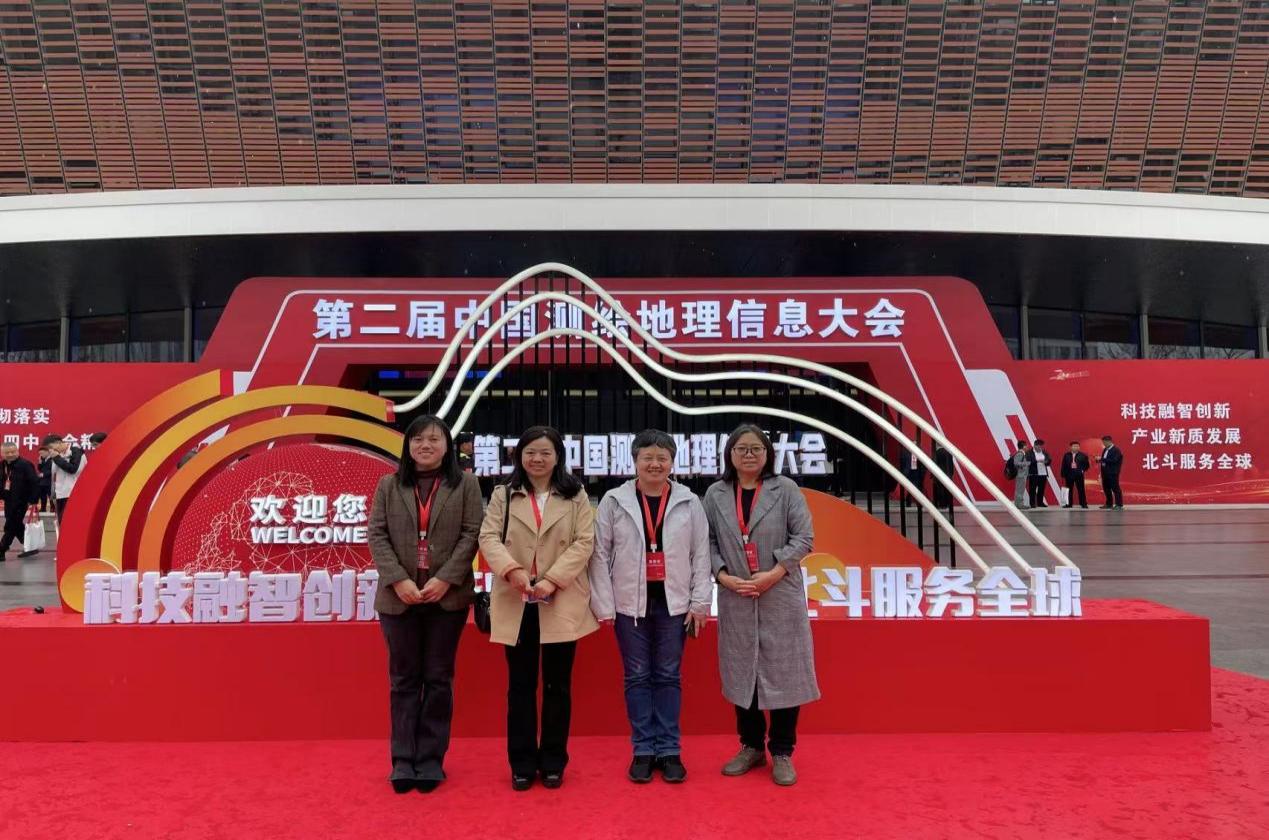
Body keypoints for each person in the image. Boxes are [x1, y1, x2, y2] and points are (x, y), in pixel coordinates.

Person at [589, 429, 712, 784]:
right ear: (635, 461)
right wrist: (605, 604)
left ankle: (670, 750)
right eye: (648, 457)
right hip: (630, 606)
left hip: (675, 605)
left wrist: (700, 601)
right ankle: (643, 750)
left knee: (669, 676)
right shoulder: (614, 500)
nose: (655, 464)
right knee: (638, 676)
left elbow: (701, 554)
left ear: (672, 462)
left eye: (662, 458)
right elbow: (599, 554)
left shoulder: (689, 501)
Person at [368, 414, 483, 794]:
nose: (425, 446)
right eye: (418, 439)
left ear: (447, 446)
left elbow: (472, 534)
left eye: (434, 439)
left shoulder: (465, 484)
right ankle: (403, 760)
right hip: (397, 597)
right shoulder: (389, 485)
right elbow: (377, 535)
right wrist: (398, 579)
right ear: (408, 446)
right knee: (403, 680)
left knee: (437, 678)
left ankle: (431, 758)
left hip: (446, 598)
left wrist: (445, 578)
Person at [479, 426, 597, 791]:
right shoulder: (504, 493)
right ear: (519, 456)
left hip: (559, 596)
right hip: (516, 597)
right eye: (530, 452)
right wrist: (512, 571)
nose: (537, 459)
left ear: (558, 456)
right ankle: (522, 762)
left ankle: (553, 761)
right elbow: (488, 537)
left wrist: (552, 579)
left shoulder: (575, 494)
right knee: (520, 685)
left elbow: (584, 542)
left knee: (558, 685)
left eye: (546, 452)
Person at [704, 424, 819, 787]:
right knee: (742, 669)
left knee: (784, 671)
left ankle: (782, 751)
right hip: (736, 593)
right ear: (730, 454)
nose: (749, 455)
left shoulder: (785, 489)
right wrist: (722, 575)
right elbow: (706, 542)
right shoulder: (716, 493)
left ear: (768, 454)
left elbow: (804, 537)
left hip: (779, 592)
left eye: (756, 448)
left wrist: (774, 572)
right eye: (741, 449)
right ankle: (751, 746)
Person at [0, 443, 40, 559]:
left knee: (10, 525)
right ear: (2, 453)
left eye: (13, 452)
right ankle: (29, 546)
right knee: (16, 524)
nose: (10, 454)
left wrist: (33, 500)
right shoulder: (2, 465)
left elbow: (34, 483)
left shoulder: (25, 465)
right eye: (7, 452)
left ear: (17, 451)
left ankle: (2, 550)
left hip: (22, 501)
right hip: (8, 500)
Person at [42, 434, 86, 523]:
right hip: (60, 495)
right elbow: (54, 476)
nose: (51, 450)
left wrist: (57, 458)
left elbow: (73, 469)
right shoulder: (57, 455)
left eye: (51, 447)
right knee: (62, 523)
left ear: (58, 442)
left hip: (73, 494)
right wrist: (53, 494)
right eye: (48, 449)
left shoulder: (76, 452)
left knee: (71, 522)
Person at [1061, 441, 1090, 509]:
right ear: (1071, 447)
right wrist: (1063, 474)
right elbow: (1063, 465)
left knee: (1081, 489)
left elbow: (1087, 465)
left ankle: (1083, 504)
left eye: (1077, 446)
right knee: (1069, 490)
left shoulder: (1083, 455)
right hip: (1069, 474)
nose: (1076, 447)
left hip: (1079, 475)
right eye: (1074, 446)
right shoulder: (1067, 455)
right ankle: (1068, 504)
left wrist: (1082, 470)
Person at [1099, 435, 1124, 510]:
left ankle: (1119, 505)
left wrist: (1102, 459)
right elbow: (1104, 460)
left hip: (1112, 473)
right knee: (1106, 488)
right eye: (1103, 442)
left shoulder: (1116, 450)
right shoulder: (1105, 449)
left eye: (1104, 442)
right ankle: (1109, 504)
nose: (1104, 444)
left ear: (1109, 441)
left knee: (1115, 489)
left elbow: (1114, 460)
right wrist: (1099, 460)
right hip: (1105, 472)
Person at [1028, 439, 1052, 508]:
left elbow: (1049, 460)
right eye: (1038, 446)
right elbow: (1028, 462)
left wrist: (1046, 462)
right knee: (1032, 489)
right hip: (1034, 474)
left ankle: (1040, 503)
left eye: (1041, 446)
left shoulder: (1044, 452)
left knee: (1041, 489)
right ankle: (1032, 503)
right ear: (1034, 445)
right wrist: (1037, 461)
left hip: (1043, 474)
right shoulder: (1029, 452)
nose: (1040, 448)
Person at [1010, 441, 1030, 509]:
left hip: (1022, 474)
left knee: (1020, 490)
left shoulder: (1021, 453)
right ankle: (1019, 504)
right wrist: (1027, 463)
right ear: (1023, 446)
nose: (1027, 447)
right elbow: (1016, 463)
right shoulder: (1020, 454)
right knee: (1020, 490)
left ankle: (1018, 504)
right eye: (1026, 445)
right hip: (1020, 475)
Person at [36, 446, 52, 513]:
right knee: (42, 496)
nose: (41, 455)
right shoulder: (42, 459)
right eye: (40, 454)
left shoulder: (52, 459)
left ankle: (52, 508)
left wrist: (44, 474)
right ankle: (43, 508)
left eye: (42, 453)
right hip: (42, 481)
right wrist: (39, 462)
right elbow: (40, 469)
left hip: (49, 481)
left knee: (50, 495)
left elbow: (52, 470)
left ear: (47, 452)